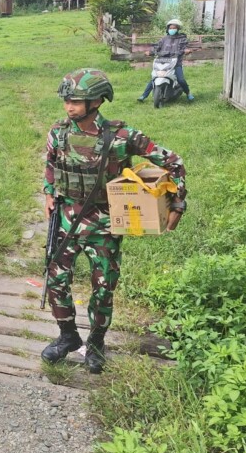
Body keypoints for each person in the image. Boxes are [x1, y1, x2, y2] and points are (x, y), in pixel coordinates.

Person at [42, 69, 186, 374]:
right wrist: (48, 193)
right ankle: (67, 336)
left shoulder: (122, 137)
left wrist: (178, 201)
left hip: (105, 223)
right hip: (67, 222)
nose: (69, 106)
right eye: (67, 100)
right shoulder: (58, 133)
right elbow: (51, 165)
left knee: (104, 286)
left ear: (97, 101)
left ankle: (95, 342)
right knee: (55, 279)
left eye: (76, 100)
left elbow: (173, 161)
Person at [138, 18, 194, 102]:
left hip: (175, 63)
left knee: (181, 80)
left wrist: (186, 50)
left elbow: (185, 47)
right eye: (170, 28)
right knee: (155, 77)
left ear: (178, 29)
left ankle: (188, 93)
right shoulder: (164, 39)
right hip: (161, 62)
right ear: (167, 29)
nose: (172, 29)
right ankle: (144, 95)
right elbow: (157, 47)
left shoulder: (182, 39)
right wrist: (150, 52)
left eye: (174, 28)